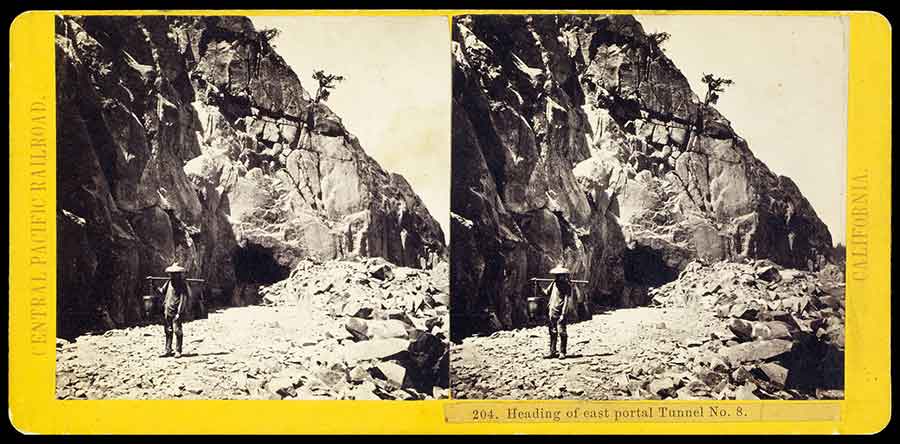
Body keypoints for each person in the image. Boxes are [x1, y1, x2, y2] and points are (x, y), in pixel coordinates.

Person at [157, 262, 192, 358]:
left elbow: (183, 299)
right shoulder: (169, 282)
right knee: (168, 330)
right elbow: (162, 291)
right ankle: (168, 350)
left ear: (179, 274)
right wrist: (155, 286)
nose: (172, 275)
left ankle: (178, 350)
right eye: (171, 274)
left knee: (177, 330)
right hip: (167, 309)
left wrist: (179, 312)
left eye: (175, 274)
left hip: (176, 311)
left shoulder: (182, 285)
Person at [542, 265, 574, 360]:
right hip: (551, 311)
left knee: (562, 332)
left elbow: (566, 301)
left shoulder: (567, 286)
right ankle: (552, 351)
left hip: (560, 312)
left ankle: (562, 352)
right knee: (552, 332)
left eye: (559, 275)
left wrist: (563, 314)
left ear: (563, 275)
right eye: (557, 275)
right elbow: (546, 293)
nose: (557, 276)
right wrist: (538, 286)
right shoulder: (554, 283)